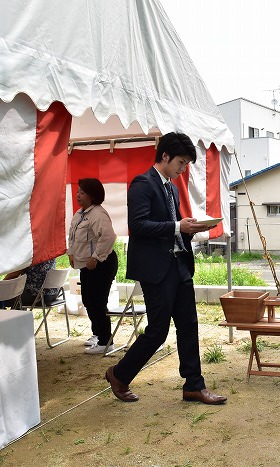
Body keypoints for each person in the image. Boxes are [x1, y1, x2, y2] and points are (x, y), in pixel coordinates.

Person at [104, 132, 226, 405]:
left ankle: (194, 384)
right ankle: (119, 374)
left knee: (189, 325)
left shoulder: (171, 188)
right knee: (158, 331)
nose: (183, 169)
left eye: (186, 165)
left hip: (179, 264)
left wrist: (189, 228)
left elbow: (172, 227)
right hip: (156, 269)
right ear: (166, 156)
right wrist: (177, 226)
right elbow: (138, 226)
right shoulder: (142, 184)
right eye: (181, 163)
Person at [67, 178, 119, 355]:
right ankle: (98, 334)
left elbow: (109, 237)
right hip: (86, 265)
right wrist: (71, 253)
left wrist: (96, 257)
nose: (78, 195)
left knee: (97, 302)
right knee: (89, 301)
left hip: (102, 264)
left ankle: (106, 341)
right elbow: (72, 235)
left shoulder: (98, 214)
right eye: (78, 191)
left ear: (92, 195)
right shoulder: (80, 213)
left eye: (82, 192)